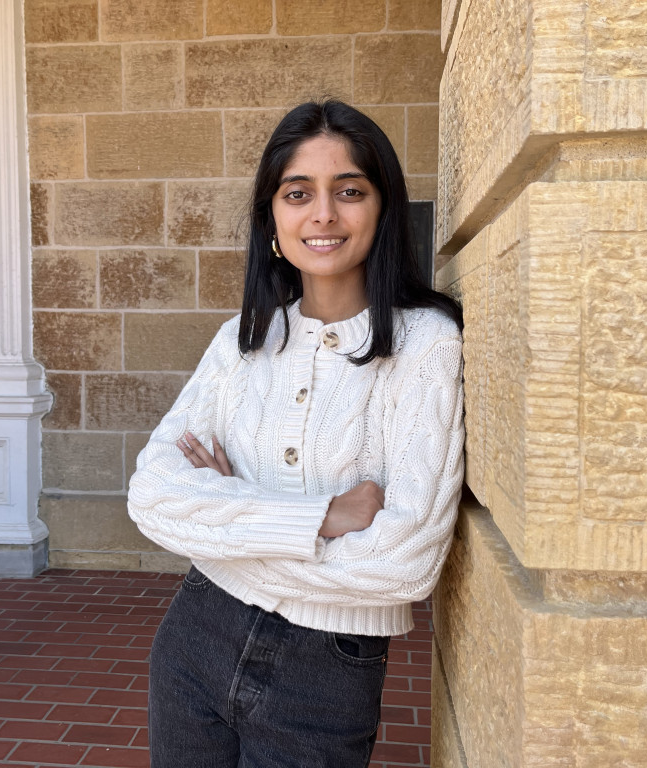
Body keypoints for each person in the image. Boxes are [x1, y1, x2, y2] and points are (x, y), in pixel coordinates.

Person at [128, 99, 465, 768]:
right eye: (298, 192)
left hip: (325, 672)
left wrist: (228, 516)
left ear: (383, 207)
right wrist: (326, 517)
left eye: (349, 191)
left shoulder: (426, 344)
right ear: (273, 218)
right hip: (197, 636)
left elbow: (405, 563)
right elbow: (151, 496)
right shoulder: (243, 340)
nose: (324, 215)